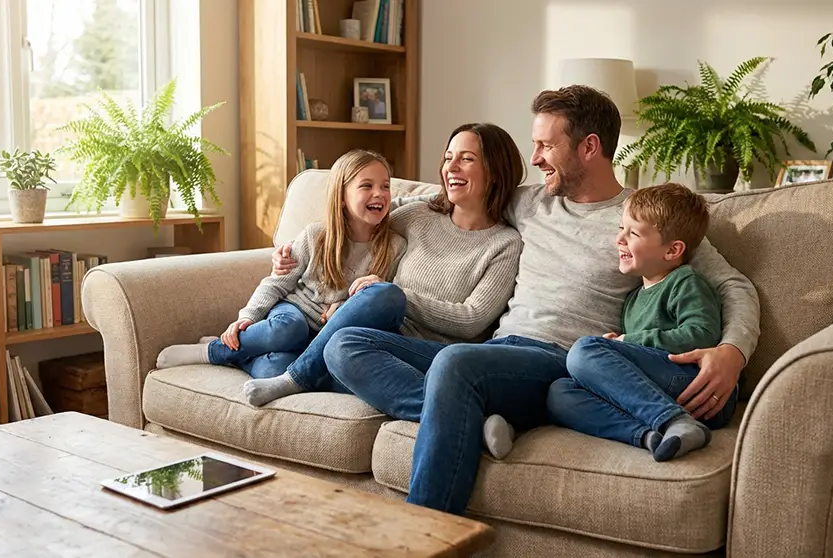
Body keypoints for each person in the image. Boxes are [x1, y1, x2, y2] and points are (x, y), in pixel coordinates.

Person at [305, 85, 760, 516]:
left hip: (563, 360)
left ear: (588, 147)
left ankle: (426, 532)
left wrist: (733, 352)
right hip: (496, 354)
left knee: (455, 364)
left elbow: (731, 285)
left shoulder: (642, 218)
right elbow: (427, 203)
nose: (536, 158)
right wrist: (316, 243)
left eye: (546, 146)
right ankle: (471, 420)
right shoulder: (529, 202)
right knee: (345, 343)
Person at [273, 122, 525, 420]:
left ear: (495, 171)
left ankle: (297, 377)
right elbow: (354, 220)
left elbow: (473, 320)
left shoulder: (504, 243)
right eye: (448, 157)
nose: (451, 167)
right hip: (381, 338)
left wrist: (399, 296)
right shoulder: (419, 214)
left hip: (434, 353)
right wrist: (290, 250)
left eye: (466, 159)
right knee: (330, 349)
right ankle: (468, 418)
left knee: (358, 327)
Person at [154, 149, 407, 407]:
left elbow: (374, 303)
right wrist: (247, 317)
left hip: (322, 339)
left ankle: (242, 356)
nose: (379, 193)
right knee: (290, 328)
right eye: (367, 185)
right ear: (341, 196)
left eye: (386, 186)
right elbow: (276, 283)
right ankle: (213, 351)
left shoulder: (394, 247)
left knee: (274, 369)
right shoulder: (316, 236)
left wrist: (342, 307)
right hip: (293, 313)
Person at [541, 182, 727, 463]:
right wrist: (620, 345)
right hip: (655, 391)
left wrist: (626, 342)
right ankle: (653, 436)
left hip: (697, 387)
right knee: (559, 392)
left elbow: (702, 334)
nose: (620, 240)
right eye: (620, 229)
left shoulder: (685, 282)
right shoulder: (632, 299)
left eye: (634, 233)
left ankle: (673, 420)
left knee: (585, 350)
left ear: (672, 250)